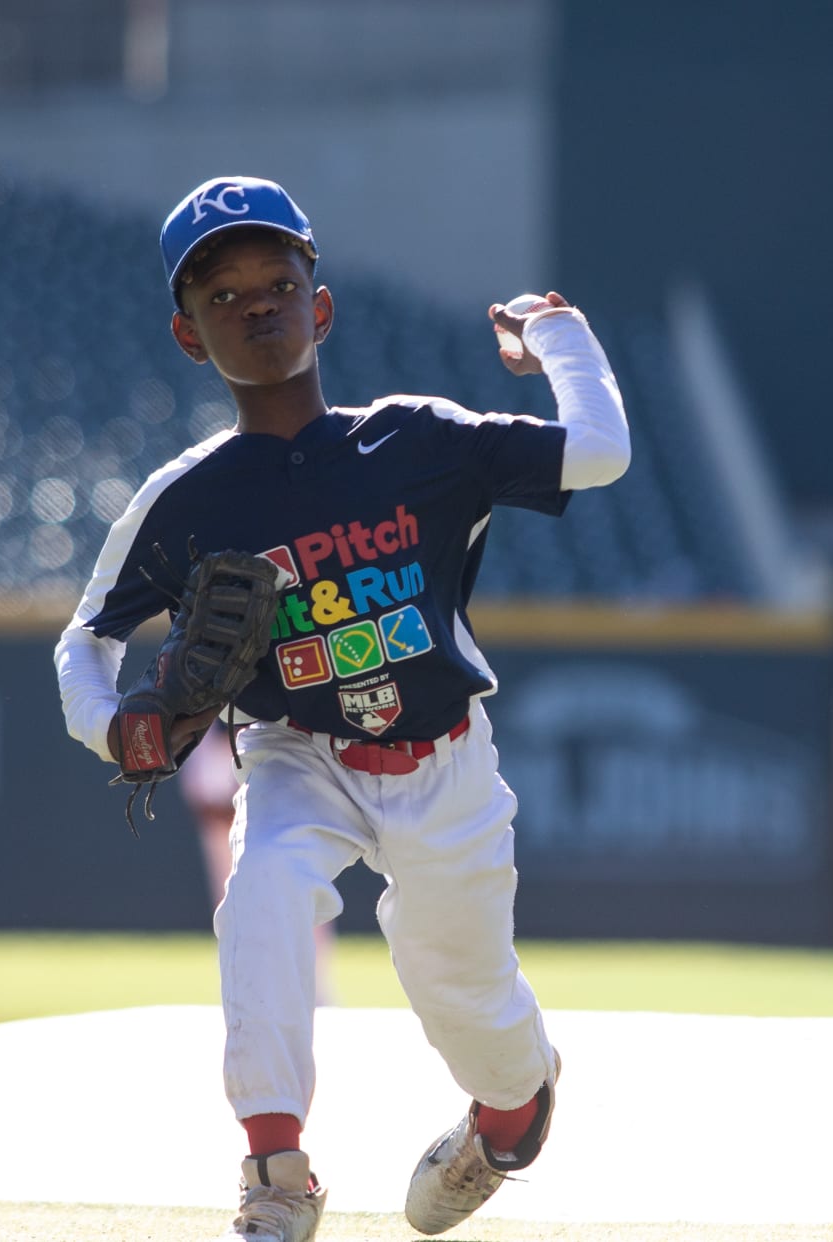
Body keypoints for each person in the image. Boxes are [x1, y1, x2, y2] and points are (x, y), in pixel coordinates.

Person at [52, 176, 630, 1242]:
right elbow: (82, 640)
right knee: (261, 898)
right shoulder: (184, 498)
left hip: (444, 761)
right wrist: (114, 724)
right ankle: (276, 1171)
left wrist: (560, 334)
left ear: (321, 306)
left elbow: (598, 452)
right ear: (189, 335)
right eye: (223, 295)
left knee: (463, 997)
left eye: (278, 283)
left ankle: (509, 1117)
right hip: (294, 751)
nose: (257, 305)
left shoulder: (419, 440)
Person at [179, 721, 335, 1007]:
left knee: (299, 883)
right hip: (227, 750)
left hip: (270, 747)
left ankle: (310, 988)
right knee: (234, 894)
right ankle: (247, 989)